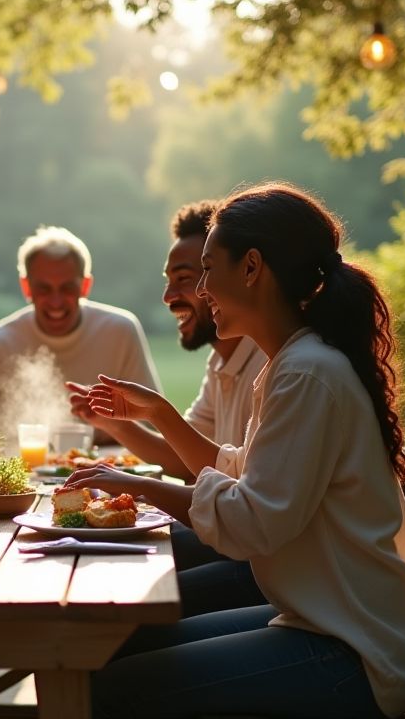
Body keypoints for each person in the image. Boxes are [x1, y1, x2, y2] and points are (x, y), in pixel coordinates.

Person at [67, 182, 405, 718]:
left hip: (354, 653)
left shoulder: (307, 373)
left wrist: (137, 485)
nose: (203, 288)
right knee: (115, 647)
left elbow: (252, 522)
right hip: (322, 622)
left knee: (113, 690)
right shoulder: (294, 363)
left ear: (253, 267)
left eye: (209, 269)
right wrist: (159, 414)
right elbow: (243, 472)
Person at [67, 200, 267, 616]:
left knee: (113, 603)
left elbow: (249, 513)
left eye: (191, 277)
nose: (169, 296)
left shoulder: (276, 367)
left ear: (248, 272)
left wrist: (133, 483)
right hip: (255, 549)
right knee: (95, 556)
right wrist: (116, 422)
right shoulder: (224, 362)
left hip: (266, 568)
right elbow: (186, 458)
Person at [0, 225, 159, 439]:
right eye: (44, 289)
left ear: (85, 286)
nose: (56, 302)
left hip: (111, 467)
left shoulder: (120, 331)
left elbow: (152, 423)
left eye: (67, 288)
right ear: (26, 287)